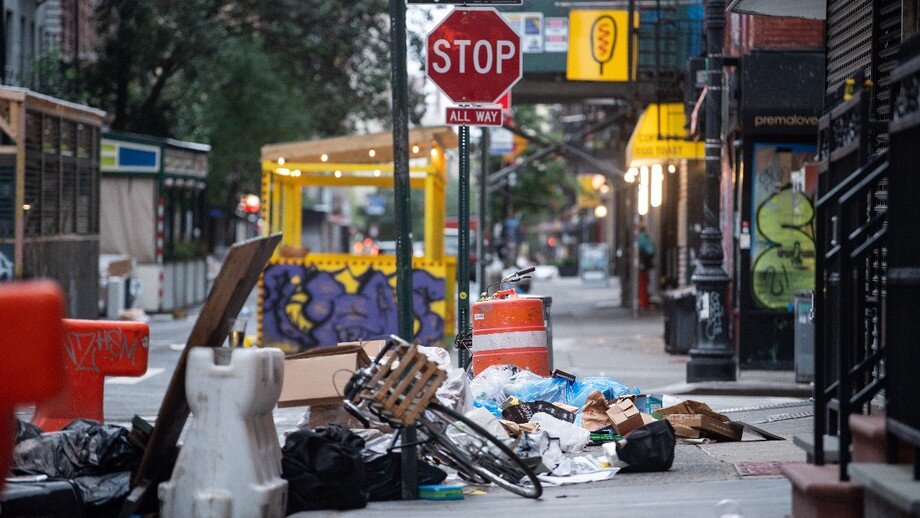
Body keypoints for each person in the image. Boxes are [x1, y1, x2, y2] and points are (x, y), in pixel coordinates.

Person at [637, 226, 655, 309]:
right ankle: (645, 302)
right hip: (646, 263)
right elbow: (651, 251)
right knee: (645, 283)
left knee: (642, 283)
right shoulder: (646, 238)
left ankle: (643, 302)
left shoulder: (640, 238)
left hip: (642, 263)